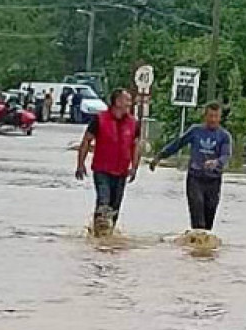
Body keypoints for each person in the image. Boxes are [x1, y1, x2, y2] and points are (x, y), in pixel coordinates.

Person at [150, 102, 233, 231]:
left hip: (213, 180)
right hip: (195, 179)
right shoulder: (196, 131)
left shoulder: (224, 136)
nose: (213, 120)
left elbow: (226, 155)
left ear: (220, 117)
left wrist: (216, 162)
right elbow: (178, 143)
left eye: (216, 116)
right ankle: (195, 248)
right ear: (205, 116)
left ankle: (203, 250)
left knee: (208, 222)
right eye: (210, 116)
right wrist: (159, 156)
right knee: (198, 218)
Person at [75, 88, 141, 236]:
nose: (130, 104)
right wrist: (80, 164)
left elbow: (136, 146)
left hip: (122, 171)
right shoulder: (99, 119)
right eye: (127, 100)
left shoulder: (133, 123)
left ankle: (108, 237)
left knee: (115, 207)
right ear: (117, 102)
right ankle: (98, 237)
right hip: (102, 170)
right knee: (104, 204)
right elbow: (86, 141)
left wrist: (134, 167)